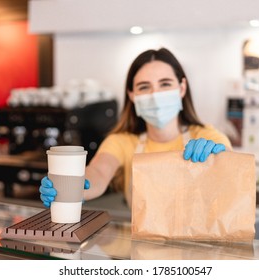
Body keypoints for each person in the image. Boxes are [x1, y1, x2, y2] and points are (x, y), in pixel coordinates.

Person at [40, 47, 232, 208]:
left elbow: (231, 173)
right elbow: (98, 172)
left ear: (181, 88)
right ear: (132, 95)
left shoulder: (207, 136)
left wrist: (220, 159)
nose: (155, 94)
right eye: (144, 87)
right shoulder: (122, 142)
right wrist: (73, 187)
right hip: (142, 249)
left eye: (165, 84)